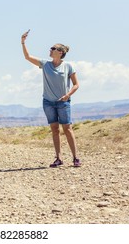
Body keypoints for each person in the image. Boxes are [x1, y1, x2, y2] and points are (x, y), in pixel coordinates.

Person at [21, 30, 81, 167]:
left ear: (60, 52)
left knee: (67, 129)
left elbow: (76, 84)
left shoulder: (68, 66)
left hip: (63, 102)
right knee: (54, 129)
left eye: (53, 48)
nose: (50, 50)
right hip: (48, 102)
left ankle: (76, 158)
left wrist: (68, 95)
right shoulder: (45, 64)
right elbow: (27, 57)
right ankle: (58, 158)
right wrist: (23, 42)